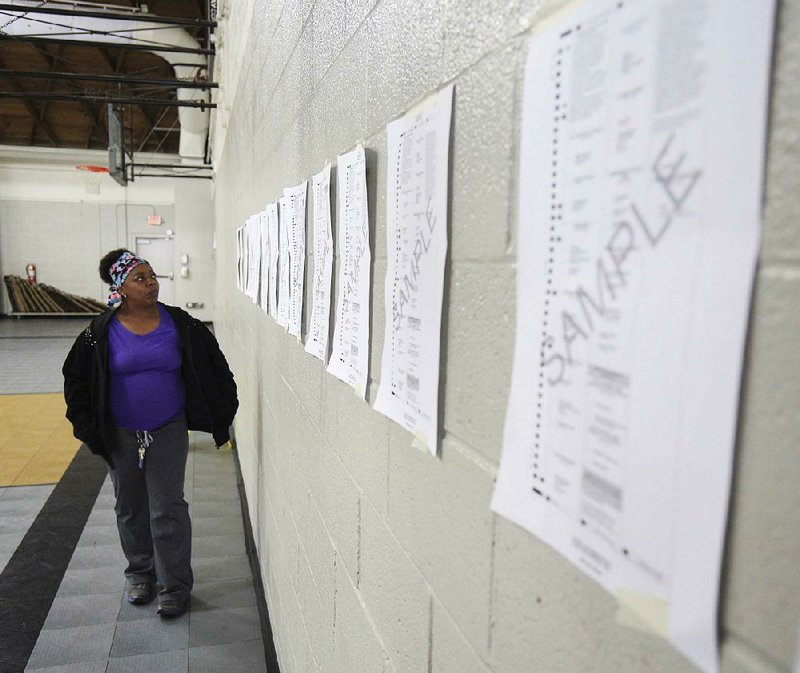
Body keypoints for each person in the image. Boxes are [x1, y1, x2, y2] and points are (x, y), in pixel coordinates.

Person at [63, 249, 238, 618]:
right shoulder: (100, 332)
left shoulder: (180, 323)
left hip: (168, 427)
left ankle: (174, 585)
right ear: (121, 287)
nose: (151, 283)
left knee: (167, 508)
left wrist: (223, 405)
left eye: (153, 275)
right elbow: (76, 379)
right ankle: (140, 573)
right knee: (130, 507)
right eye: (140, 278)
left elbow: (214, 363)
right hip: (120, 432)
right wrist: (86, 425)